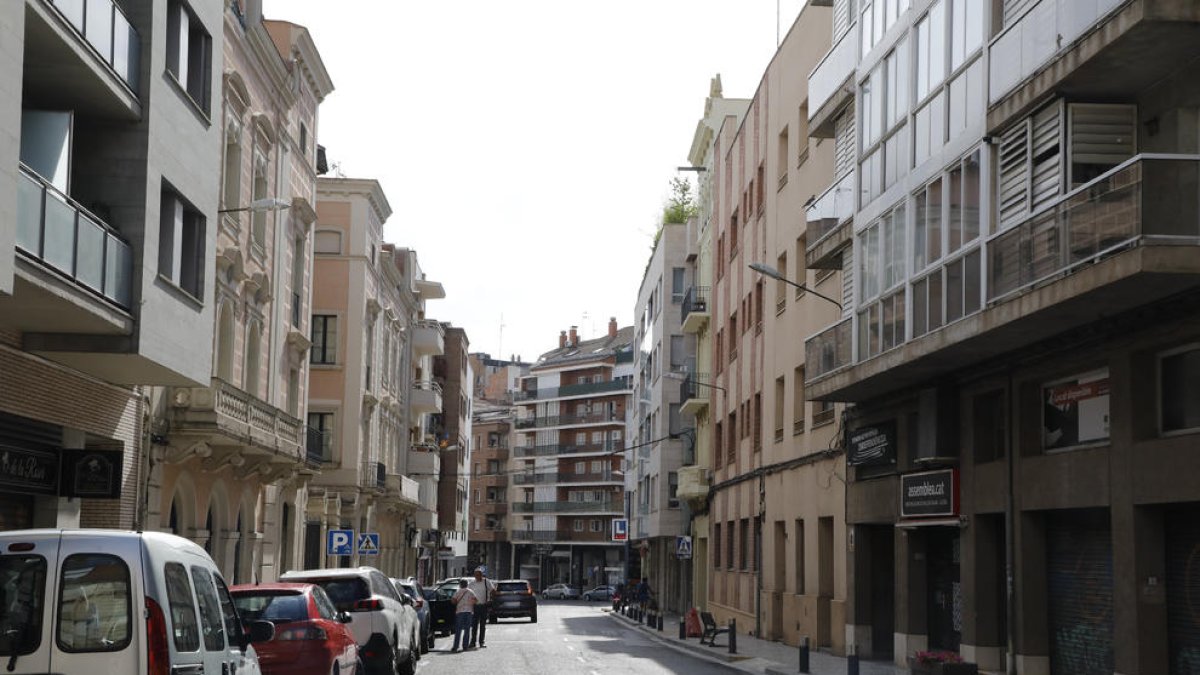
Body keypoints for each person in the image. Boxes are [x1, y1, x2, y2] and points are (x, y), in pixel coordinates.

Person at [467, 567, 496, 648]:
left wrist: (490, 599)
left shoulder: (486, 582)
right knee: (474, 625)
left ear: (482, 575)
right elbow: (468, 594)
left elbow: (493, 591)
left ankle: (481, 642)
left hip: (484, 606)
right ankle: (473, 642)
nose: (477, 576)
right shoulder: (471, 583)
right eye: (476, 575)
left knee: (483, 625)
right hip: (475, 606)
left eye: (479, 574)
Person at [450, 578, 478, 652]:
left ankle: (455, 646)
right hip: (469, 611)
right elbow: (476, 600)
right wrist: (470, 603)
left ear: (460, 585)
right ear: (467, 584)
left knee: (458, 630)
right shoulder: (470, 591)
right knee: (467, 629)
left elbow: (453, 601)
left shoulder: (458, 591)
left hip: (460, 612)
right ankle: (465, 646)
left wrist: (457, 602)